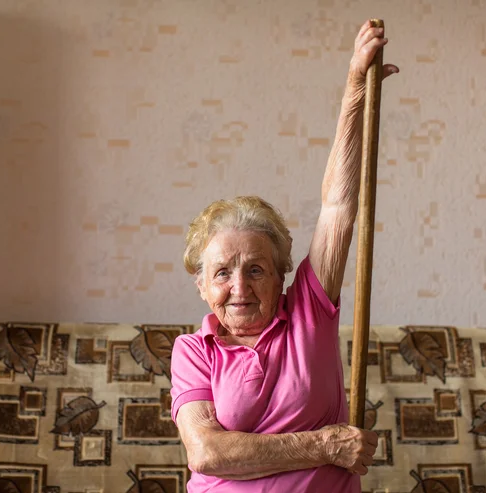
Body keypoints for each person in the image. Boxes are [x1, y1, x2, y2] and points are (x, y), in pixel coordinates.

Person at [170, 19, 399, 492]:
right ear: (201, 284)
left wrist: (355, 89)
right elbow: (207, 452)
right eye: (222, 273)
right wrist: (326, 446)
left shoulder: (309, 312)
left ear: (281, 275)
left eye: (255, 269)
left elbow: (338, 207)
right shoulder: (193, 352)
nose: (239, 287)